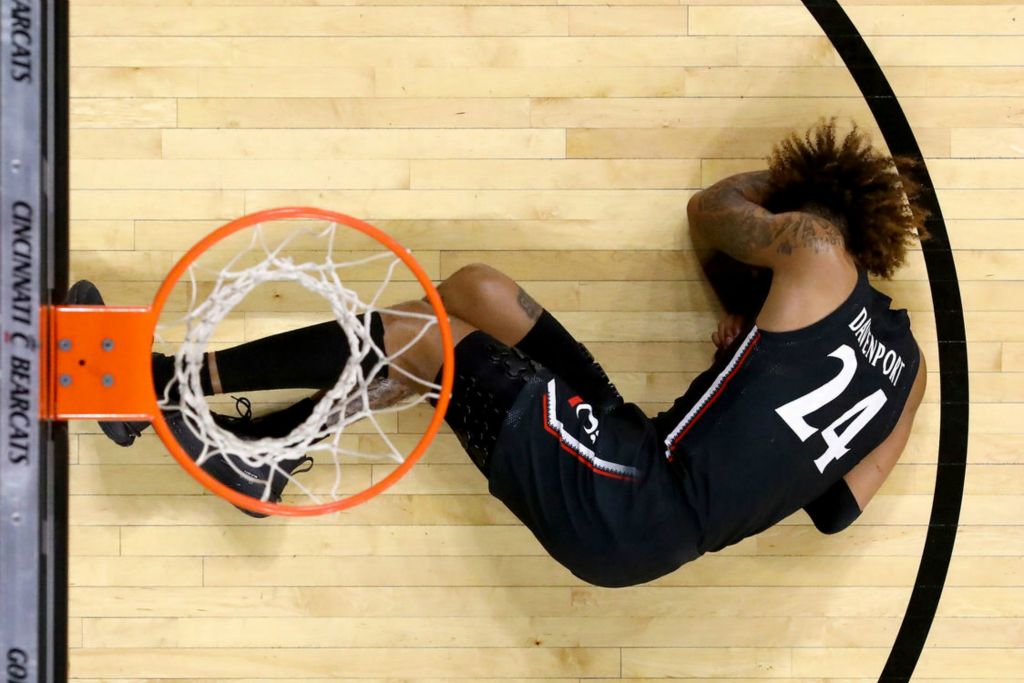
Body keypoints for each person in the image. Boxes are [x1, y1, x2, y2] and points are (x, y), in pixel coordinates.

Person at [90, 119, 927, 587]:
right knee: (481, 293)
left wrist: (785, 193)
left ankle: (161, 384)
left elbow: (711, 208)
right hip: (633, 456)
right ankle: (274, 456)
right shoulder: (911, 373)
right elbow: (834, 510)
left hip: (625, 496)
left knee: (433, 346)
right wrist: (749, 370)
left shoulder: (814, 243)